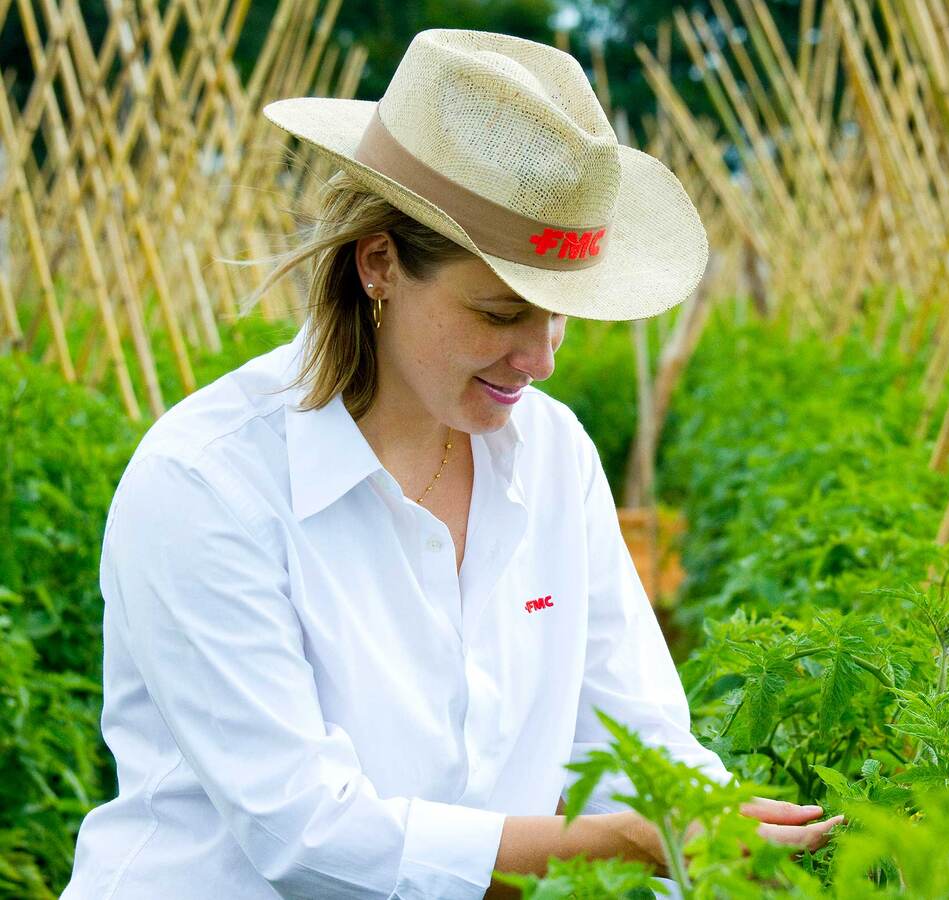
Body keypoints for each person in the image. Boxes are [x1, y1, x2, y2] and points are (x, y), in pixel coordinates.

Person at [61, 28, 842, 900]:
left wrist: (710, 829)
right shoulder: (209, 483)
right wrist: (615, 847)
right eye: (502, 313)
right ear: (380, 265)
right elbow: (307, 836)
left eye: (558, 316)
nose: (540, 359)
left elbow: (630, 735)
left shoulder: (551, 456)